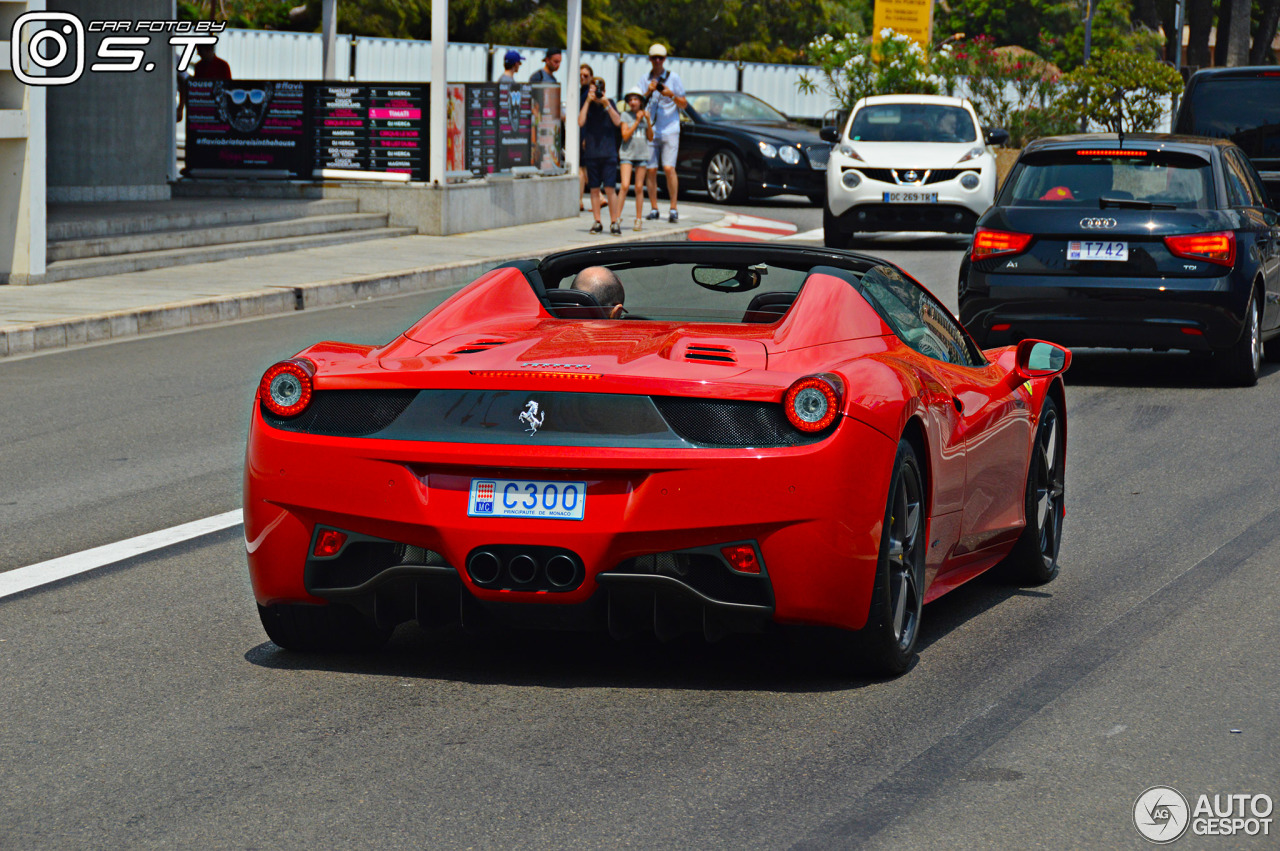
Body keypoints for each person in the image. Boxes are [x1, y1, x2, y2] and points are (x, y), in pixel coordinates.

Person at [637, 43, 686, 223]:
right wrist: (649, 91)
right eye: (654, 57)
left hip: (670, 128)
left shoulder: (673, 78)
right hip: (651, 128)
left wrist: (670, 94)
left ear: (665, 60)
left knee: (668, 168)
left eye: (661, 58)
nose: (657, 61)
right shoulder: (644, 79)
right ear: (650, 59)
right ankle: (654, 207)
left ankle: (673, 207)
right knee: (651, 170)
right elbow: (636, 103)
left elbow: (684, 104)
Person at [579, 76, 623, 235]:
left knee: (610, 188)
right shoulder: (588, 105)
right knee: (594, 189)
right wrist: (588, 101)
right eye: (592, 89)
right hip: (592, 152)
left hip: (608, 152)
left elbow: (618, 122)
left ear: (603, 91)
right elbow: (580, 121)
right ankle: (597, 221)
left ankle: (614, 221)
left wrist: (606, 104)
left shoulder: (609, 103)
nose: (595, 93)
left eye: (597, 90)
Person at [618, 87, 653, 232]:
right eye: (631, 99)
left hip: (642, 155)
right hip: (627, 154)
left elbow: (650, 137)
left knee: (639, 187)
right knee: (625, 185)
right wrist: (637, 121)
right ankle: (617, 216)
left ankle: (638, 219)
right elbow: (625, 135)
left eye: (636, 99)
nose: (633, 102)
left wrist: (648, 120)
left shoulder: (644, 117)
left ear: (641, 102)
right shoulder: (625, 116)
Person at [577, 63, 594, 211]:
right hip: (580, 132)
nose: (582, 78)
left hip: (585, 133)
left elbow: (591, 117)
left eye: (586, 76)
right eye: (580, 75)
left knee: (582, 168)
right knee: (583, 168)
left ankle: (579, 199)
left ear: (591, 78)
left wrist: (586, 137)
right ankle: (599, 197)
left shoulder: (589, 94)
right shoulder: (581, 91)